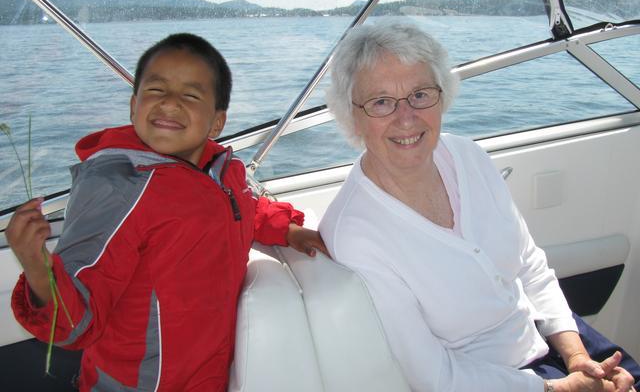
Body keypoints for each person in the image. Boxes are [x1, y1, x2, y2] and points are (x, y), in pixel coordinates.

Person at [319, 20, 639, 392]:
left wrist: (577, 356)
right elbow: (435, 375)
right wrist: (563, 388)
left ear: (442, 95)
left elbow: (529, 265)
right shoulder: (355, 233)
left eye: (420, 94)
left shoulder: (466, 155)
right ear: (352, 115)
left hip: (550, 333)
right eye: (381, 102)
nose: (405, 116)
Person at [7, 33, 328, 391]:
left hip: (210, 375)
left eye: (190, 95)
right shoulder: (118, 188)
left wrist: (288, 230)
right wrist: (37, 267)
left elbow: (244, 208)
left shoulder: (222, 171)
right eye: (156, 90)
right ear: (134, 106)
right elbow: (75, 323)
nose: (170, 103)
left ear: (217, 122)